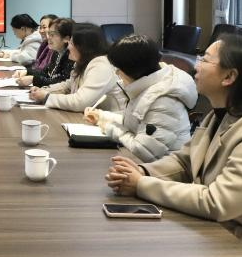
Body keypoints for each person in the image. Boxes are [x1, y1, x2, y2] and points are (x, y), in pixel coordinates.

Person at [106, 35, 242, 257]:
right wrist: (143, 171)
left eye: (205, 59)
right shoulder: (219, 115)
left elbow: (218, 202)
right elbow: (184, 161)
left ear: (229, 77)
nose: (196, 65)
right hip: (224, 236)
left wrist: (141, 185)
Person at [84, 34, 197, 162]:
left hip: (162, 169)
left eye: (119, 68)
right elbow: (135, 123)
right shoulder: (147, 84)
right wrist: (101, 117)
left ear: (133, 69)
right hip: (147, 165)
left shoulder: (163, 100)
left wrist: (109, 127)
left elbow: (144, 151)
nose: (116, 72)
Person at [29, 23, 126, 112]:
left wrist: (46, 97)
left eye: (71, 43)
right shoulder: (83, 62)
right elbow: (68, 85)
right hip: (90, 119)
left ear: (83, 47)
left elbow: (80, 102)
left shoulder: (101, 66)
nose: (68, 47)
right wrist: (44, 90)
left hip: (108, 121)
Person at [15, 17, 75, 88]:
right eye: (49, 34)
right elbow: (45, 72)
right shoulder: (56, 52)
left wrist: (33, 79)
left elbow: (62, 82)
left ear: (66, 38)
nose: (48, 37)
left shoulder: (72, 56)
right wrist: (27, 72)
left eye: (52, 34)